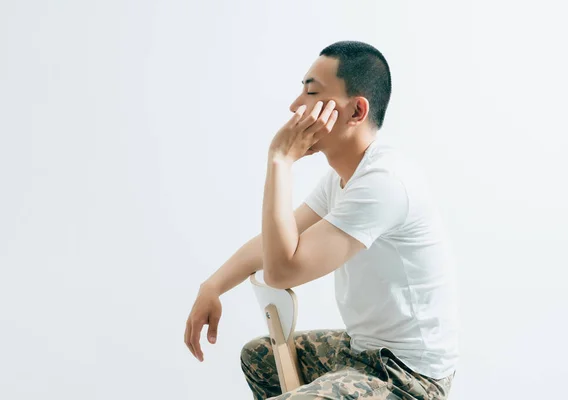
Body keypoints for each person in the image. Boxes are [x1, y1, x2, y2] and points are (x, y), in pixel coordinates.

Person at [184, 40, 459, 400]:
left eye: (311, 92)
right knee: (260, 357)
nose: (296, 105)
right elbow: (274, 245)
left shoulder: (384, 182)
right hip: (362, 351)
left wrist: (281, 160)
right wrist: (212, 285)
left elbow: (283, 271)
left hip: (408, 376)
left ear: (356, 111)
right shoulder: (342, 177)